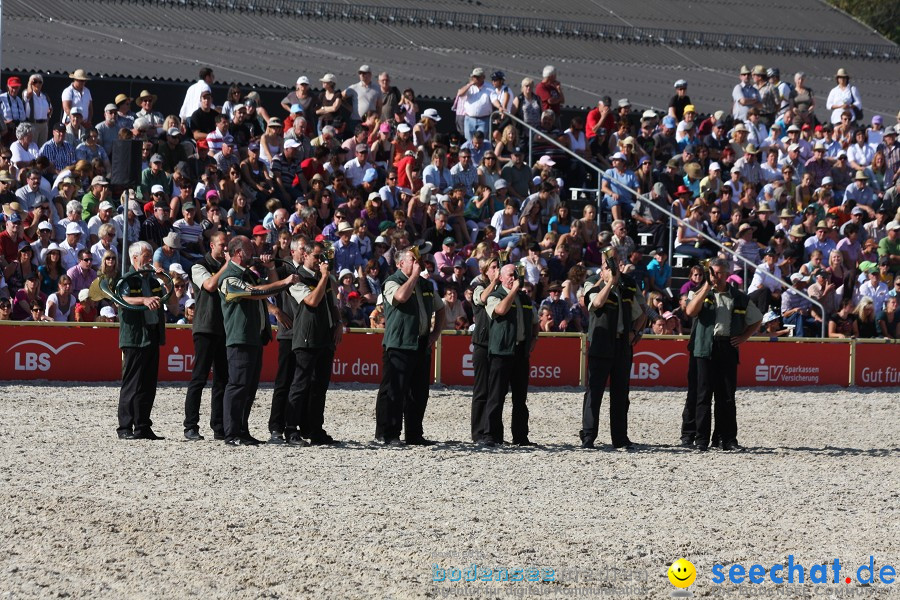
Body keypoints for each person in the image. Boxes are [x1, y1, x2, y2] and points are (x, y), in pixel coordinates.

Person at [218, 236, 298, 446]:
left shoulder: (247, 275)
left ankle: (242, 430)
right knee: (237, 385)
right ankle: (232, 433)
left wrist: (271, 267)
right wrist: (285, 280)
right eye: (249, 248)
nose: (254, 251)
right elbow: (254, 293)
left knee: (249, 386)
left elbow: (269, 287)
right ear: (238, 252)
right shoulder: (229, 277)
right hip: (239, 338)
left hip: (253, 337)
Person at [685, 258, 762, 451]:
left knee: (727, 396)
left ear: (727, 274)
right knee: (703, 395)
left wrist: (744, 337)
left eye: (719, 273)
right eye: (712, 273)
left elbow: (757, 319)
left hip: (727, 346)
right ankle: (701, 439)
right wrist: (705, 288)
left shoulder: (739, 296)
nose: (715, 277)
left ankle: (727, 439)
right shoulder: (699, 292)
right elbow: (690, 311)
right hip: (704, 347)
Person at [374, 248, 446, 446]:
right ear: (400, 264)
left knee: (418, 392)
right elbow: (400, 297)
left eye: (418, 260)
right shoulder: (392, 281)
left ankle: (414, 434)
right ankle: (387, 434)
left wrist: (435, 333)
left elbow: (441, 309)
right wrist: (414, 275)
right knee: (394, 390)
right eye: (412, 260)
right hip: (399, 343)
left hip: (421, 342)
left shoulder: (425, 284)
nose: (417, 262)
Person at [580, 251, 648, 450]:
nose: (610, 268)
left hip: (622, 345)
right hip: (601, 342)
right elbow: (597, 303)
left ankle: (620, 438)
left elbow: (642, 312)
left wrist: (635, 331)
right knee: (594, 392)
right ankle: (588, 437)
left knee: (621, 394)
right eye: (606, 265)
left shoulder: (628, 284)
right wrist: (609, 283)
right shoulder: (593, 282)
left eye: (613, 264)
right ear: (601, 267)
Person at [286, 240, 342, 446]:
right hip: (306, 338)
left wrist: (338, 323)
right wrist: (325, 276)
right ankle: (291, 429)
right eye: (317, 257)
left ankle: (314, 428)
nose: (321, 261)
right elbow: (312, 301)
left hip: (324, 338)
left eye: (323, 257)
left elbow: (331, 303)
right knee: (300, 385)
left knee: (320, 387)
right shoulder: (296, 278)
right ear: (305, 256)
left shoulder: (322, 279)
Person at [481, 264, 539, 447]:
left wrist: (533, 339)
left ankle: (520, 436)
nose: (515, 278)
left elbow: (535, 321)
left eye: (517, 275)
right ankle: (491, 435)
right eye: (511, 275)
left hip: (520, 352)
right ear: (501, 278)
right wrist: (513, 291)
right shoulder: (494, 295)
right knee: (496, 395)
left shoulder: (525, 298)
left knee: (520, 398)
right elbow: (500, 310)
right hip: (501, 351)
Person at [116, 241, 167, 441]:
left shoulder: (154, 281)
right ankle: (125, 427)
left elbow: (170, 302)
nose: (150, 261)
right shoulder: (127, 279)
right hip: (134, 338)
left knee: (148, 384)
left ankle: (143, 426)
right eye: (147, 257)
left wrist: (165, 280)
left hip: (152, 335)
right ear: (135, 258)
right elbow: (120, 299)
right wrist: (143, 300)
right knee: (132, 383)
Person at [183, 232, 228, 441]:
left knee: (222, 380)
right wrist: (228, 267)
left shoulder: (227, 266)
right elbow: (209, 285)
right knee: (199, 378)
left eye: (227, 245)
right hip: (205, 327)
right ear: (211, 245)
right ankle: (190, 426)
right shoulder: (199, 265)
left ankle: (219, 426)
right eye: (222, 245)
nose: (225, 249)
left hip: (224, 328)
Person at [469, 256, 500, 444]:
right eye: (493, 267)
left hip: (497, 345)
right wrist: (495, 282)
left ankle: (493, 432)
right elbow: (481, 299)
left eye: (498, 267)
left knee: (496, 391)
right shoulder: (479, 287)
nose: (496, 270)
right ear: (486, 271)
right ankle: (478, 432)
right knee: (481, 390)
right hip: (482, 343)